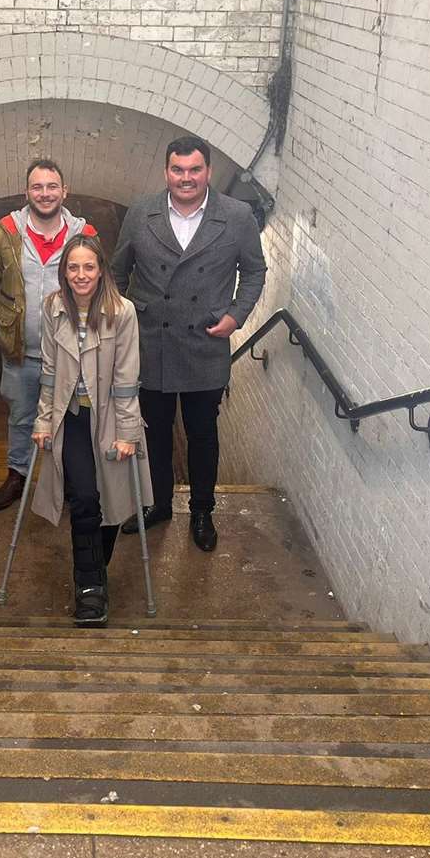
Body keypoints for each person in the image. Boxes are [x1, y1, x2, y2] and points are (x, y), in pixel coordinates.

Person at [111, 136, 267, 553]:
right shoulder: (141, 213)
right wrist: (126, 323)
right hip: (151, 343)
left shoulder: (237, 216)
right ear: (166, 172)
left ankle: (202, 511)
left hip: (204, 342)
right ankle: (158, 503)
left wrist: (235, 316)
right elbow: (117, 272)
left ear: (208, 172)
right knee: (155, 432)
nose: (186, 178)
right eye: (178, 170)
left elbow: (254, 273)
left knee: (202, 433)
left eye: (194, 170)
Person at [31, 235, 152, 627]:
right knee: (84, 499)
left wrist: (128, 432)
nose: (81, 275)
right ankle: (89, 587)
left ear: (101, 271)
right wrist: (44, 420)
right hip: (73, 419)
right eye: (73, 267)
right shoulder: (53, 308)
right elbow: (49, 371)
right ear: (64, 272)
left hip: (113, 417)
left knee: (113, 504)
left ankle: (95, 567)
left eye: (88, 267)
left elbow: (127, 376)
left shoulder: (123, 312)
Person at [0, 158, 97, 511]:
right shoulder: (5, 232)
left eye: (51, 187)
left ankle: (64, 482)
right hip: (21, 352)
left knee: (70, 420)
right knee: (20, 415)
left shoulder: (84, 236)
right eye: (37, 187)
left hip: (70, 354)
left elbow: (98, 282)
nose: (44, 194)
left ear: (64, 191)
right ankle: (18, 475)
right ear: (26, 191)